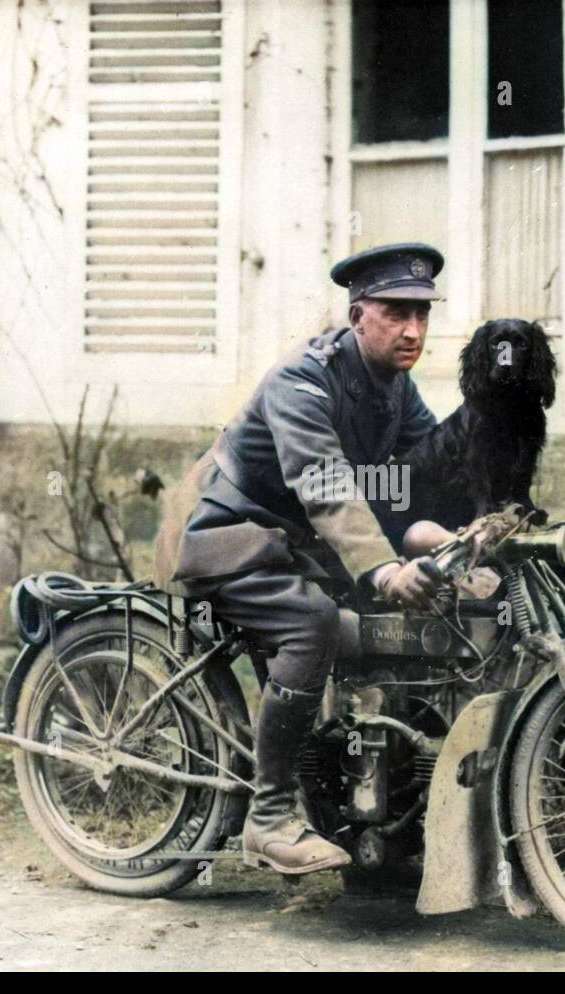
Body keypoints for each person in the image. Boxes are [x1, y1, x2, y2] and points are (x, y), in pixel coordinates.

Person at [153, 242, 448, 874]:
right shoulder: (302, 379)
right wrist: (385, 566)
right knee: (312, 623)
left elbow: (434, 469)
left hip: (291, 544)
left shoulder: (397, 388)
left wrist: (475, 530)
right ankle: (268, 817)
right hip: (225, 535)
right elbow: (325, 484)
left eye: (423, 315)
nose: (413, 330)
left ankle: (366, 813)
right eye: (397, 313)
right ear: (357, 313)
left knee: (376, 632)